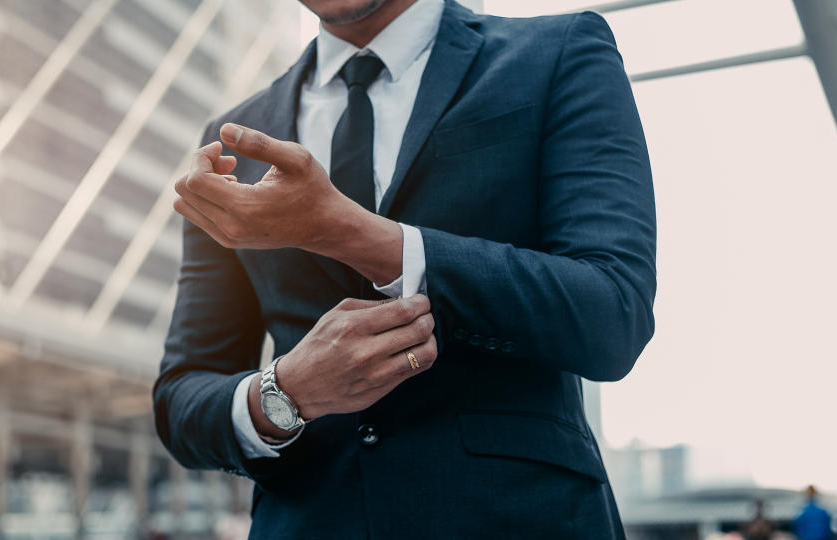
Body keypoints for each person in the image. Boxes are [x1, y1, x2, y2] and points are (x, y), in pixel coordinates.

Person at [153, 0, 656, 537]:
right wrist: (285, 392)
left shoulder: (559, 52)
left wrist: (351, 234)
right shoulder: (234, 141)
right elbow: (181, 398)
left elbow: (611, 313)